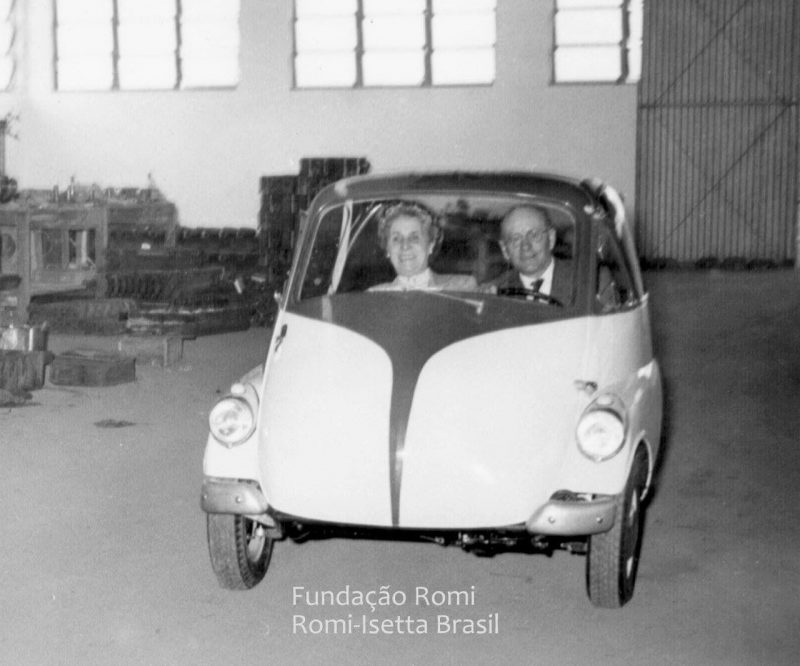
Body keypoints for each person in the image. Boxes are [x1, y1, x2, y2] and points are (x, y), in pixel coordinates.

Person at [369, 202, 477, 291]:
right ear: (387, 249)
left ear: (430, 245)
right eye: (396, 239)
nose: (405, 246)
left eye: (414, 238)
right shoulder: (374, 295)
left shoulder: (461, 287)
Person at [484, 204, 572, 303]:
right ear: (505, 250)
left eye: (534, 235)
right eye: (516, 239)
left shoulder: (582, 279)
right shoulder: (495, 293)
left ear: (551, 238)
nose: (525, 246)